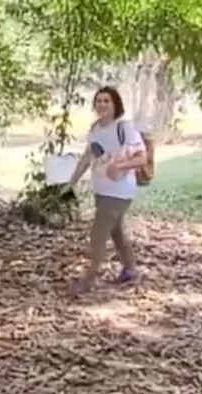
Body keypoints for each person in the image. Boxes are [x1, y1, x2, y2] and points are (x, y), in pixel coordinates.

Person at [63, 86, 149, 295]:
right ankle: (131, 270)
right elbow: (88, 156)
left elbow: (142, 158)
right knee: (116, 232)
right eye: (99, 101)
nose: (102, 104)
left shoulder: (124, 127)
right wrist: (71, 181)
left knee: (98, 236)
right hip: (102, 189)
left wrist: (117, 167)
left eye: (107, 101)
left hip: (119, 190)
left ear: (115, 104)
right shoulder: (95, 130)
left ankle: (87, 281)